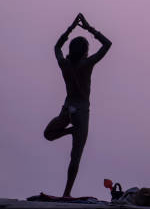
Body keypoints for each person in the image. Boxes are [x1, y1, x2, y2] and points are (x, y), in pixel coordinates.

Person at [44, 13, 112, 197]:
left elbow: (57, 46)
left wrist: (71, 27)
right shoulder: (86, 64)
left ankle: (69, 131)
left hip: (67, 109)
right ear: (84, 51)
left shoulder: (64, 64)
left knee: (48, 134)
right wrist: (89, 28)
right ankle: (67, 193)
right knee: (75, 157)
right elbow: (107, 44)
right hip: (81, 112)